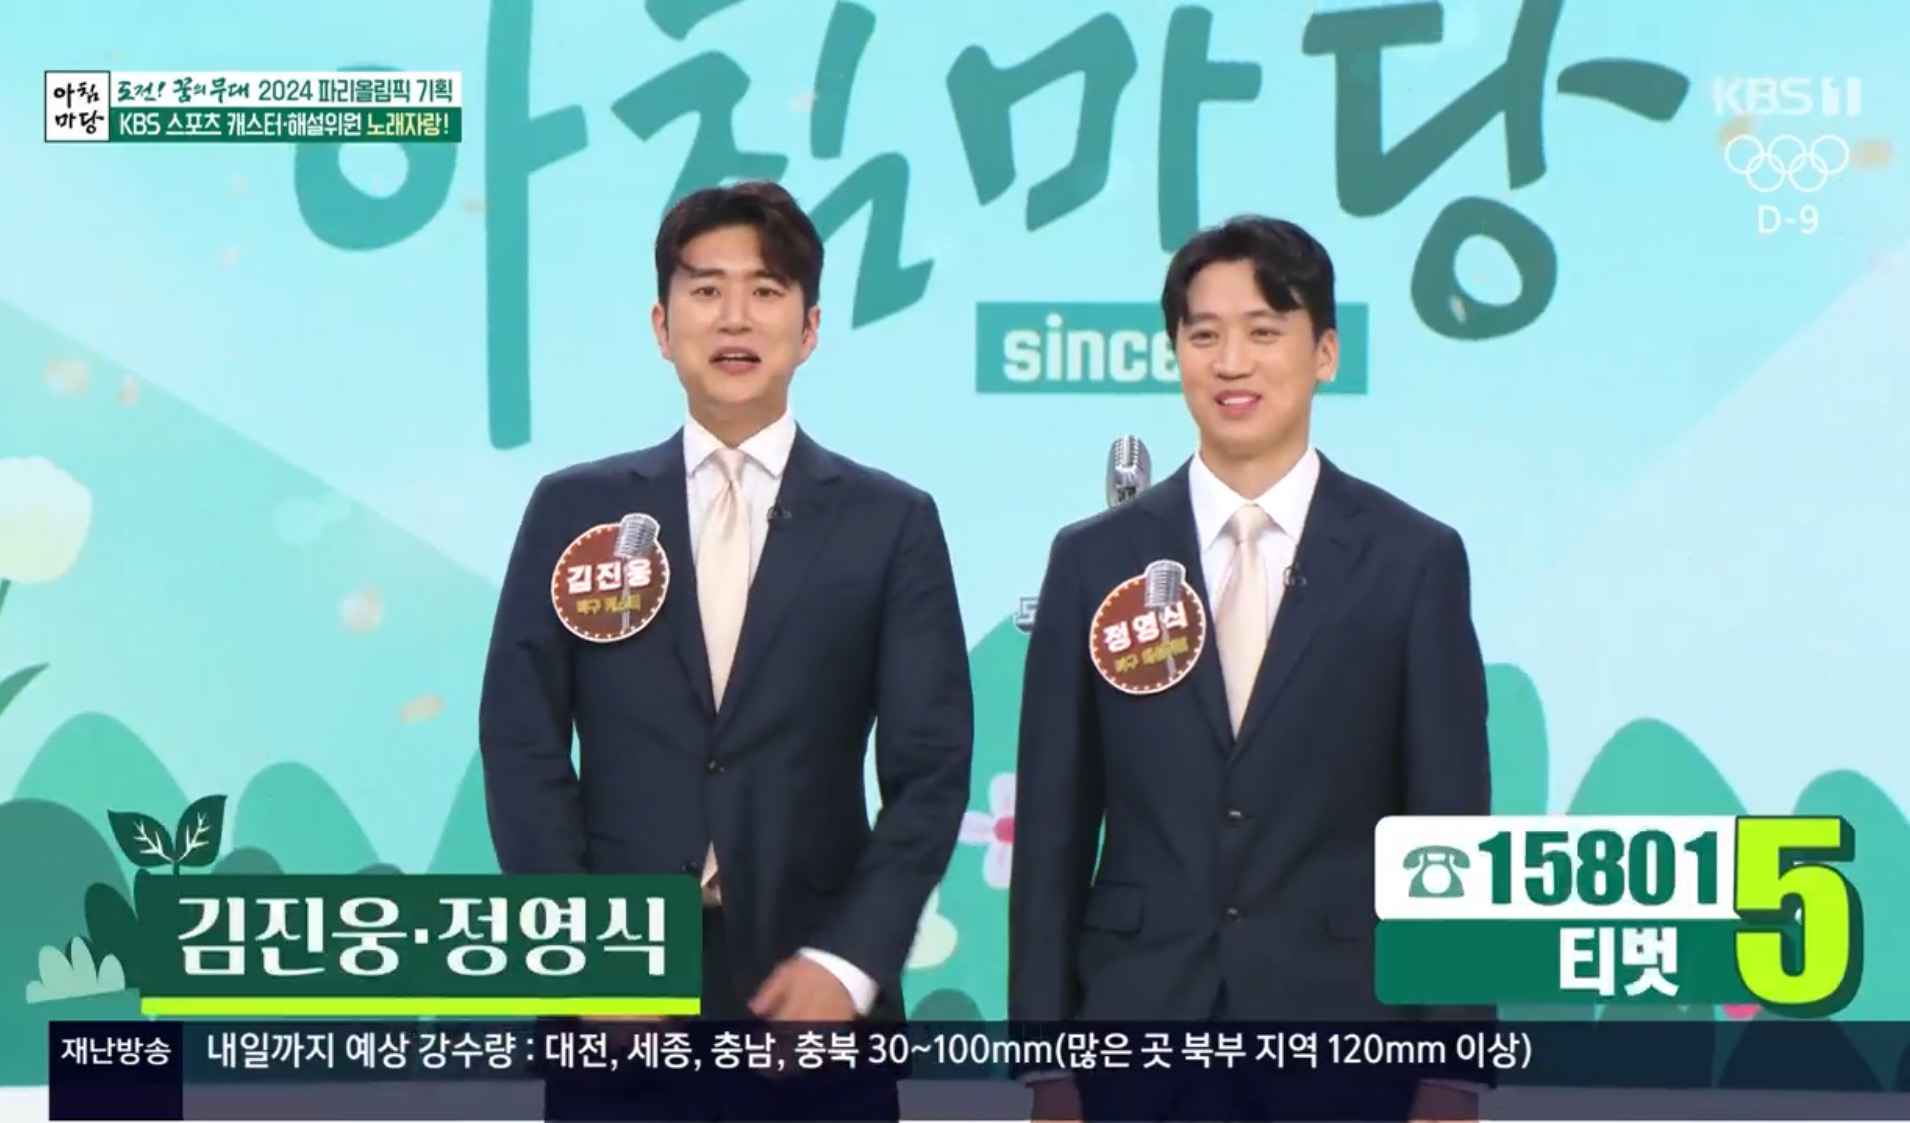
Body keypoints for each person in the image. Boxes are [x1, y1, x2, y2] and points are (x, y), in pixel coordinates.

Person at [479, 180, 974, 1119]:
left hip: (814, 998)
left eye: (766, 290)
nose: (735, 317)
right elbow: (521, 740)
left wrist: (849, 961)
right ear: (662, 326)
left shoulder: (891, 523)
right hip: (620, 1007)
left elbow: (932, 769)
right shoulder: (574, 509)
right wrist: (589, 954)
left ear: (810, 327)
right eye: (706, 290)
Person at [1008, 216, 1493, 1122]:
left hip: (1347, 1039)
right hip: (1136, 1035)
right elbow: (1052, 832)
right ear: (1176, 354)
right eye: (1205, 335)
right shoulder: (1093, 559)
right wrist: (1045, 1063)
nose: (1232, 362)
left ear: (1325, 352)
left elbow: (1451, 827)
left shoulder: (1411, 560)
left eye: (1265, 332)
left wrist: (1454, 1066)